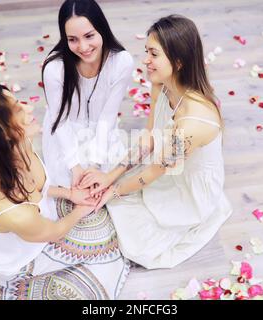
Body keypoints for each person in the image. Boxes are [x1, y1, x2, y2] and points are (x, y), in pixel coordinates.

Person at [0, 83, 129, 300]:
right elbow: (55, 232)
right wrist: (79, 211)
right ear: (1, 134)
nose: (29, 108)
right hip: (16, 253)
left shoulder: (20, 145)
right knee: (101, 249)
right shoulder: (14, 212)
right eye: (18, 109)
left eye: (19, 102)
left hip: (32, 220)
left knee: (105, 227)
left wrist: (70, 194)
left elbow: (40, 187)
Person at [79, 15, 233, 269]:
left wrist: (113, 191)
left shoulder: (192, 123)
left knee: (137, 242)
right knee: (116, 184)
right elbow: (150, 136)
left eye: (153, 54)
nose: (146, 60)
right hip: (167, 162)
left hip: (190, 186)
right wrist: (110, 176)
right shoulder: (160, 83)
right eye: (146, 51)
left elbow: (153, 172)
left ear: (179, 61)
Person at [41, 0, 134, 192]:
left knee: (106, 184)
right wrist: (75, 166)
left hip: (103, 131)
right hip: (64, 134)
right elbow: (60, 120)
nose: (83, 47)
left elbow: (107, 117)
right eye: (73, 39)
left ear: (102, 29)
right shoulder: (54, 69)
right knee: (70, 187)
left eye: (89, 36)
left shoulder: (121, 62)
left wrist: (95, 164)